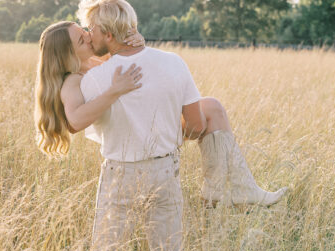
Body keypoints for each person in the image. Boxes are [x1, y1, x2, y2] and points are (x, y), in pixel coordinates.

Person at [34, 22, 287, 208]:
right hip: (139, 136)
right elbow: (75, 122)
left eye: (85, 30)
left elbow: (132, 63)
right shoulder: (71, 81)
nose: (89, 37)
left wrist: (134, 43)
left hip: (144, 125)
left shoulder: (91, 64)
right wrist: (114, 91)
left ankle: (228, 193)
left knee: (213, 109)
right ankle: (226, 195)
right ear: (67, 55)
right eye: (81, 39)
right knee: (211, 110)